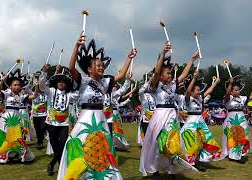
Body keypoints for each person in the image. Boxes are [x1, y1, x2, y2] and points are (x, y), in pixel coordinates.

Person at [57, 32, 136, 180]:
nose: (102, 67)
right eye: (98, 65)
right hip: (85, 119)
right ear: (89, 69)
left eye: (102, 66)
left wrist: (129, 59)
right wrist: (76, 47)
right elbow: (71, 68)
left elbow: (121, 76)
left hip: (101, 121)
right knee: (81, 147)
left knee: (103, 149)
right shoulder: (83, 80)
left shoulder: (105, 82)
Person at [139, 41, 200, 178]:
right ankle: (155, 170)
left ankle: (172, 170)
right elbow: (156, 71)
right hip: (159, 116)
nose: (170, 75)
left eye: (171, 73)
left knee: (173, 143)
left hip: (172, 116)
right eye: (167, 73)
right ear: (160, 75)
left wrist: (192, 59)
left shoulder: (173, 85)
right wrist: (163, 53)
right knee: (158, 144)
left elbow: (184, 74)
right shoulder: (156, 85)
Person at [180, 70, 224, 171]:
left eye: (199, 90)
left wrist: (215, 84)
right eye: (196, 90)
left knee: (205, 141)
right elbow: (187, 92)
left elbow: (208, 91)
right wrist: (194, 78)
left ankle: (201, 160)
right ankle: (192, 161)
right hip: (191, 123)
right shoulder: (187, 99)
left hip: (201, 122)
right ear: (191, 91)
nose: (199, 91)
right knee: (192, 143)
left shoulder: (200, 99)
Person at [0, 68, 34, 163]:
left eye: (19, 85)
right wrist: (2, 81)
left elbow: (34, 96)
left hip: (16, 119)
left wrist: (36, 86)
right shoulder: (7, 94)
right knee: (4, 136)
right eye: (15, 85)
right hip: (6, 118)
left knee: (17, 137)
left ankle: (14, 154)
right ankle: (2, 155)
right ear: (11, 86)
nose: (17, 86)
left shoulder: (21, 96)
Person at [39, 64, 77, 176]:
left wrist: (75, 78)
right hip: (51, 122)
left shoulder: (70, 95)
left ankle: (51, 164)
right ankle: (60, 163)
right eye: (59, 81)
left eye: (63, 82)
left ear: (66, 85)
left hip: (64, 124)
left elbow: (78, 93)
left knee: (63, 142)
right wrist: (45, 73)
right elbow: (41, 85)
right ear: (56, 83)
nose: (61, 83)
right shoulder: (51, 91)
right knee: (55, 144)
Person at [222, 75, 252, 163]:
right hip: (231, 119)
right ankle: (232, 155)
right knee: (232, 136)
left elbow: (251, 96)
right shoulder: (228, 98)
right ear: (231, 91)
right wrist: (230, 84)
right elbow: (227, 94)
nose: (238, 91)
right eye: (236, 90)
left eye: (239, 90)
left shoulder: (242, 98)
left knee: (243, 135)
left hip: (241, 118)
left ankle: (239, 154)